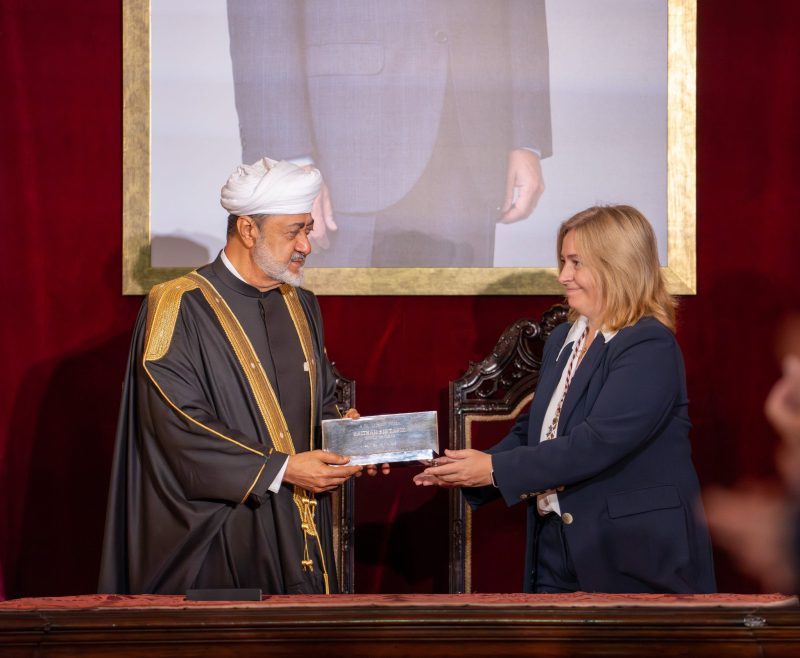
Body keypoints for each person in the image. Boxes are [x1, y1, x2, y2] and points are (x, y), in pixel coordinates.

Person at [99, 157, 379, 595]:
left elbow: (320, 400)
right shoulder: (178, 305)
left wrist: (346, 436)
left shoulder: (300, 303)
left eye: (308, 228)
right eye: (295, 231)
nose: (307, 243)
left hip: (299, 529)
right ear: (248, 230)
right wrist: (283, 469)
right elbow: (174, 426)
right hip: (218, 534)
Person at [415, 205, 716, 593]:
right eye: (562, 261)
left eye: (576, 263)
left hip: (633, 555)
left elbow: (596, 444)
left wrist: (492, 470)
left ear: (617, 266)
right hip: (556, 547)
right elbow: (534, 432)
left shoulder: (648, 344)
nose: (563, 276)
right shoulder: (563, 340)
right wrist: (463, 469)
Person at [226, 0, 552, 267]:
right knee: (339, 335)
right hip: (343, 140)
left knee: (459, 335)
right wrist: (289, 158)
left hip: (470, 129)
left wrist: (525, 136)